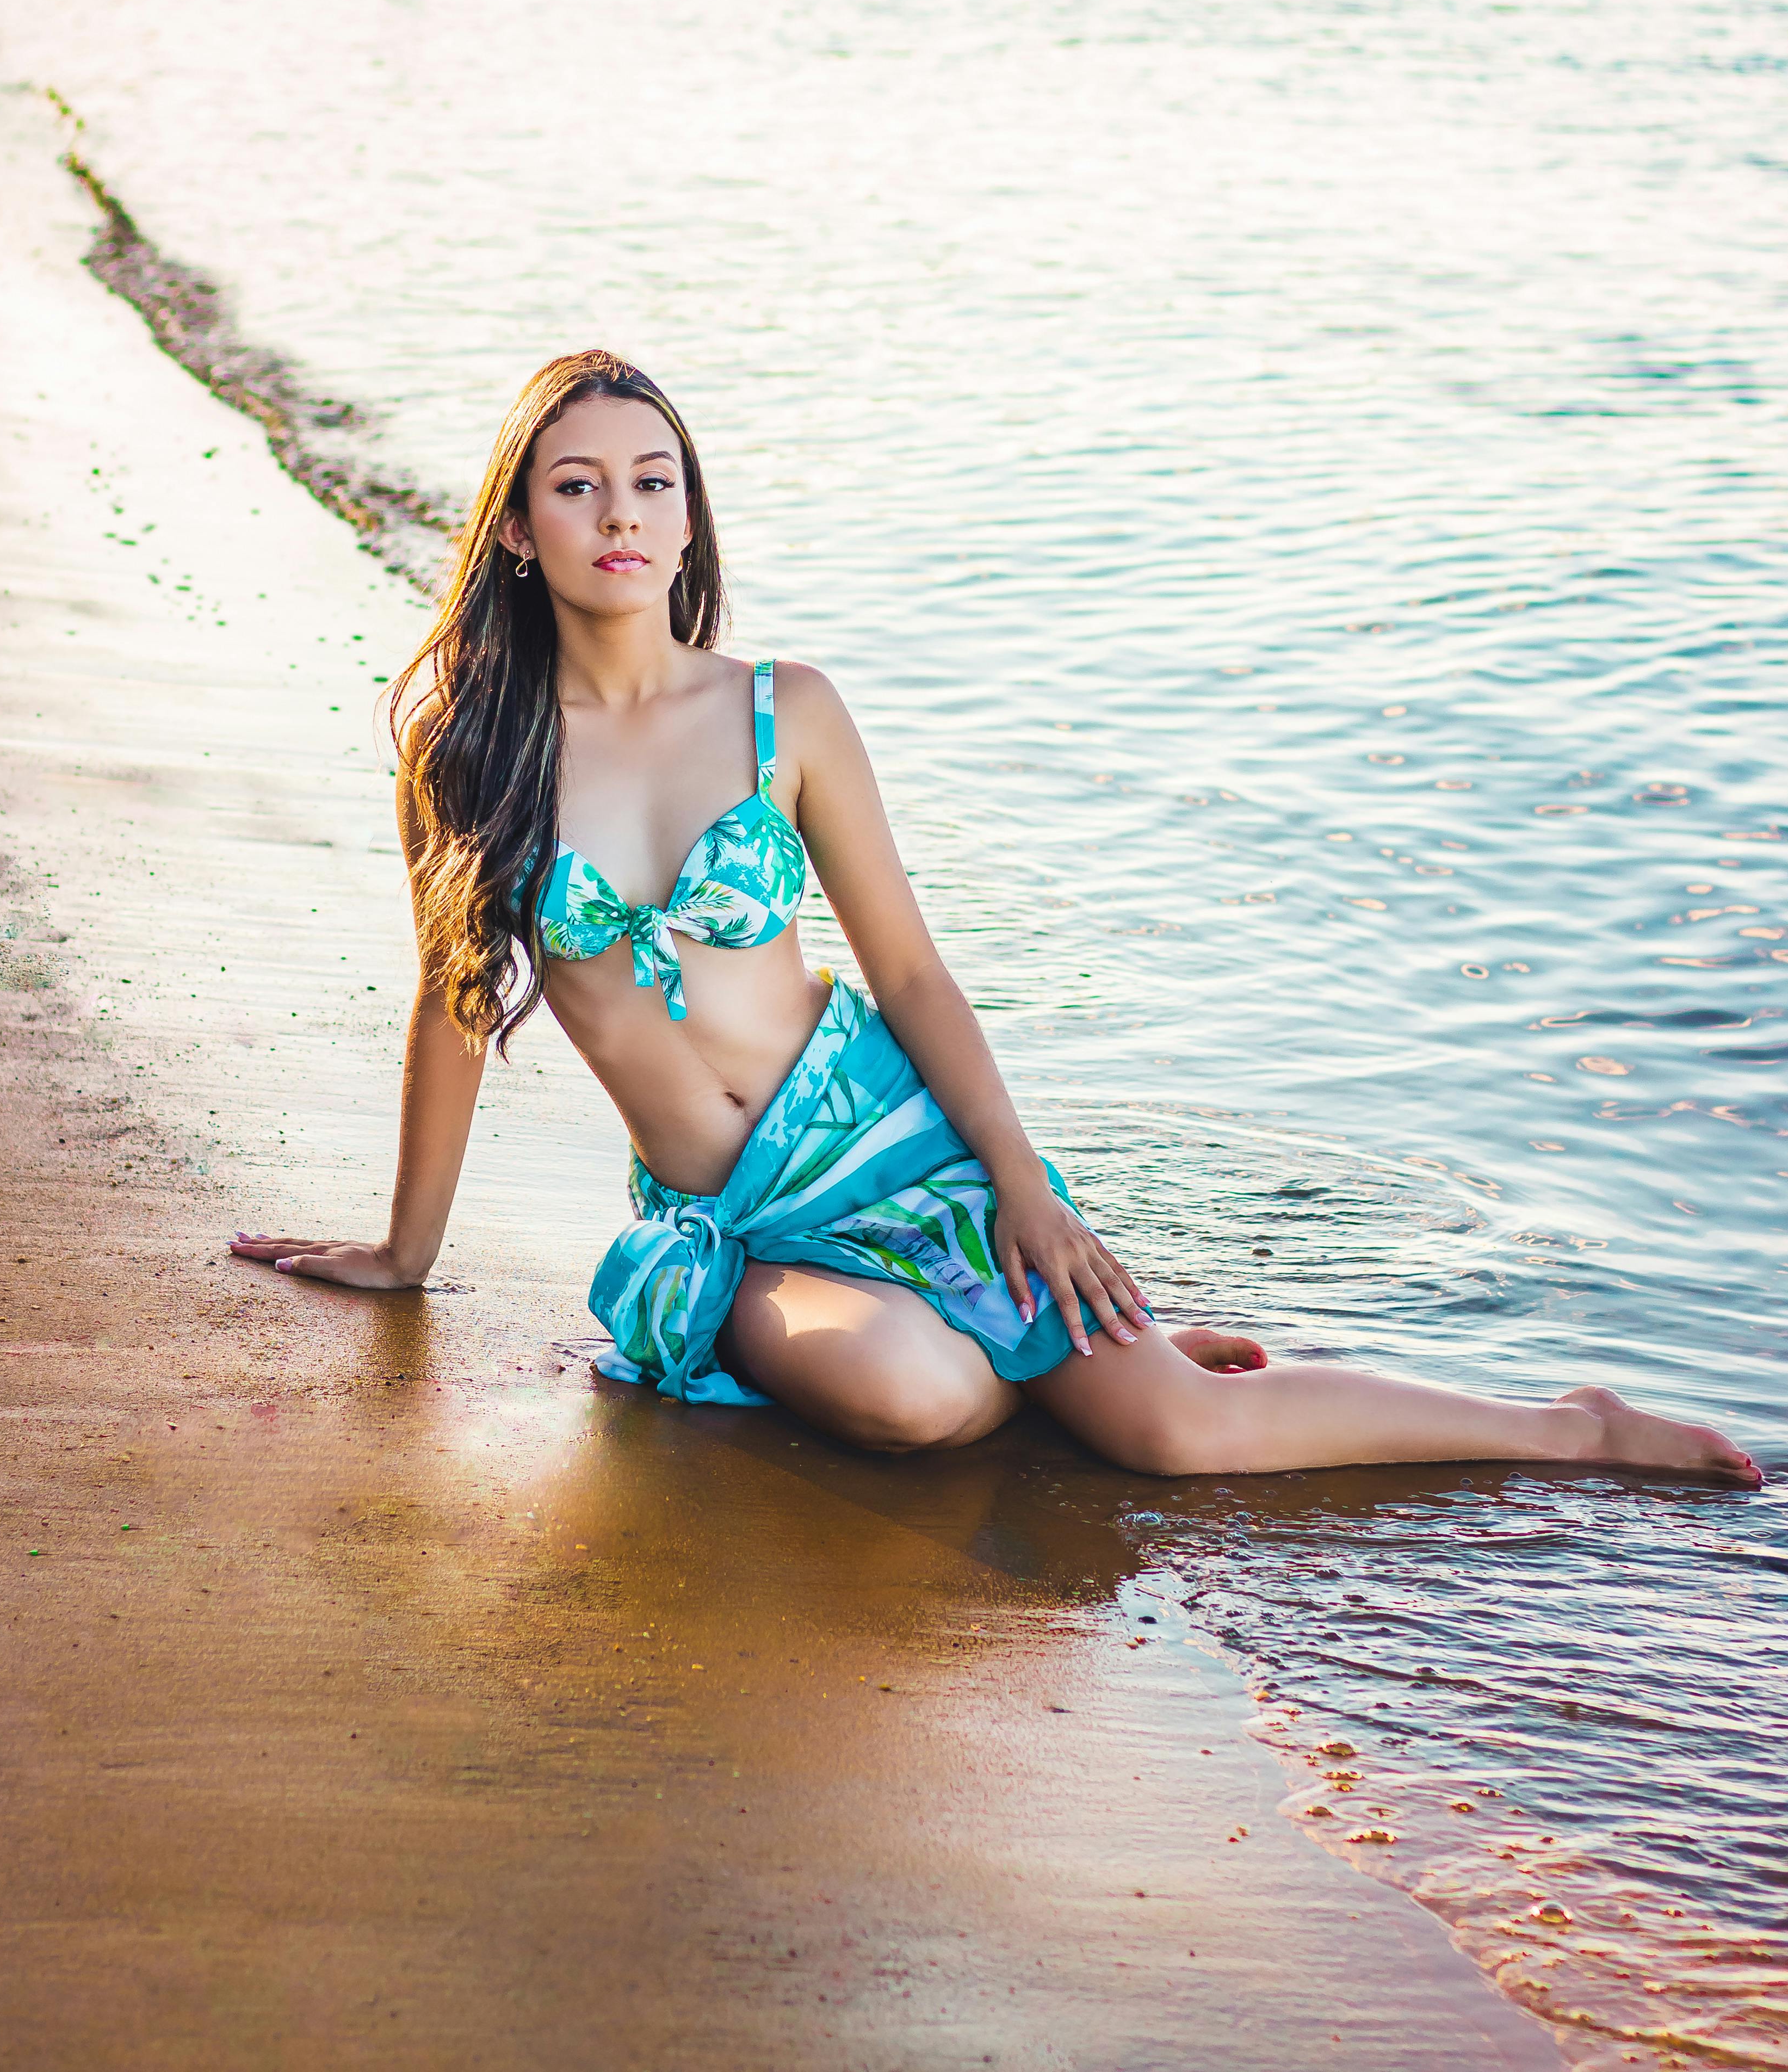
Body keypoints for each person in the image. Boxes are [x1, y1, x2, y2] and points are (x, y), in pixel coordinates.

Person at [233, 352, 1760, 1488]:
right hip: (740, 1217)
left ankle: (1565, 1428)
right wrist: (402, 1250)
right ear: (516, 530)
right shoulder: (469, 752)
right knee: (922, 1397)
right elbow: (450, 1000)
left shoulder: (786, 715)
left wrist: (1022, 1191)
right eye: (577, 484)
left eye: (654, 480)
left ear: (692, 523)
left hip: (898, 1146)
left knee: (1172, 1436)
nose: (619, 512)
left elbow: (903, 967)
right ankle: (1069, 1352)